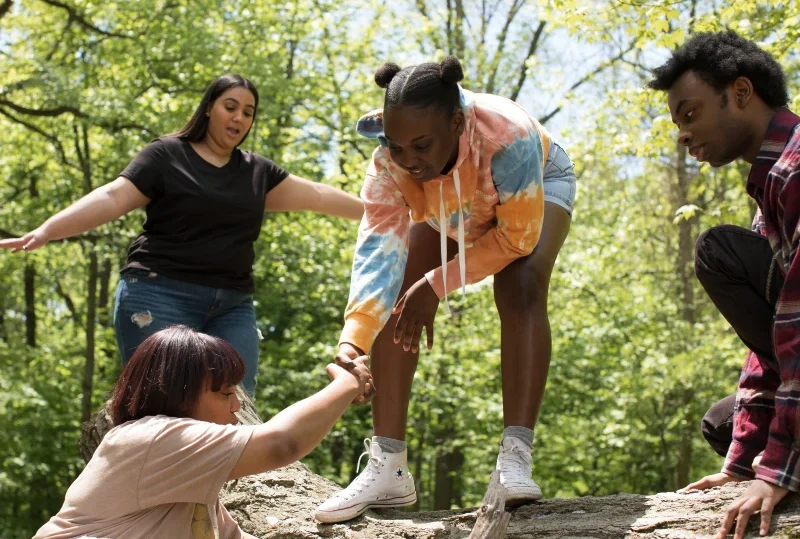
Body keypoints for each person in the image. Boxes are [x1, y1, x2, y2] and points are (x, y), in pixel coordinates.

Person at [314, 56, 576, 523]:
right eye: (396, 145)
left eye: (420, 144)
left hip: (530, 183)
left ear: (456, 122)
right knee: (397, 292)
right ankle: (389, 466)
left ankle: (515, 457)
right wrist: (351, 342)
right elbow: (377, 254)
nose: (408, 158)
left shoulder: (508, 138)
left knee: (521, 284)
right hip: (447, 202)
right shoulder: (392, 163)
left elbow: (516, 239)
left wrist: (437, 283)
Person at [0, 74, 364, 395]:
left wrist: (387, 214)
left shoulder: (257, 173)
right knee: (167, 404)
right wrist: (47, 230)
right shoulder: (166, 156)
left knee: (236, 407)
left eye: (248, 112)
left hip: (232, 306)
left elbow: (317, 194)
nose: (239, 117)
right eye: (230, 106)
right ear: (209, 108)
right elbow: (112, 196)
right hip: (159, 295)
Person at [648, 30, 799, 539]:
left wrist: (775, 470)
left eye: (690, 115)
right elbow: (773, 337)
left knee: (717, 250)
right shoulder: (769, 192)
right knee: (724, 423)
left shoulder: (795, 171)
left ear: (740, 93)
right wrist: (741, 466)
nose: (683, 136)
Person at [33, 325, 370, 539]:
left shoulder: (193, 498)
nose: (236, 408)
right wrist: (346, 383)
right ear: (178, 392)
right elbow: (282, 444)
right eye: (225, 393)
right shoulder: (150, 438)